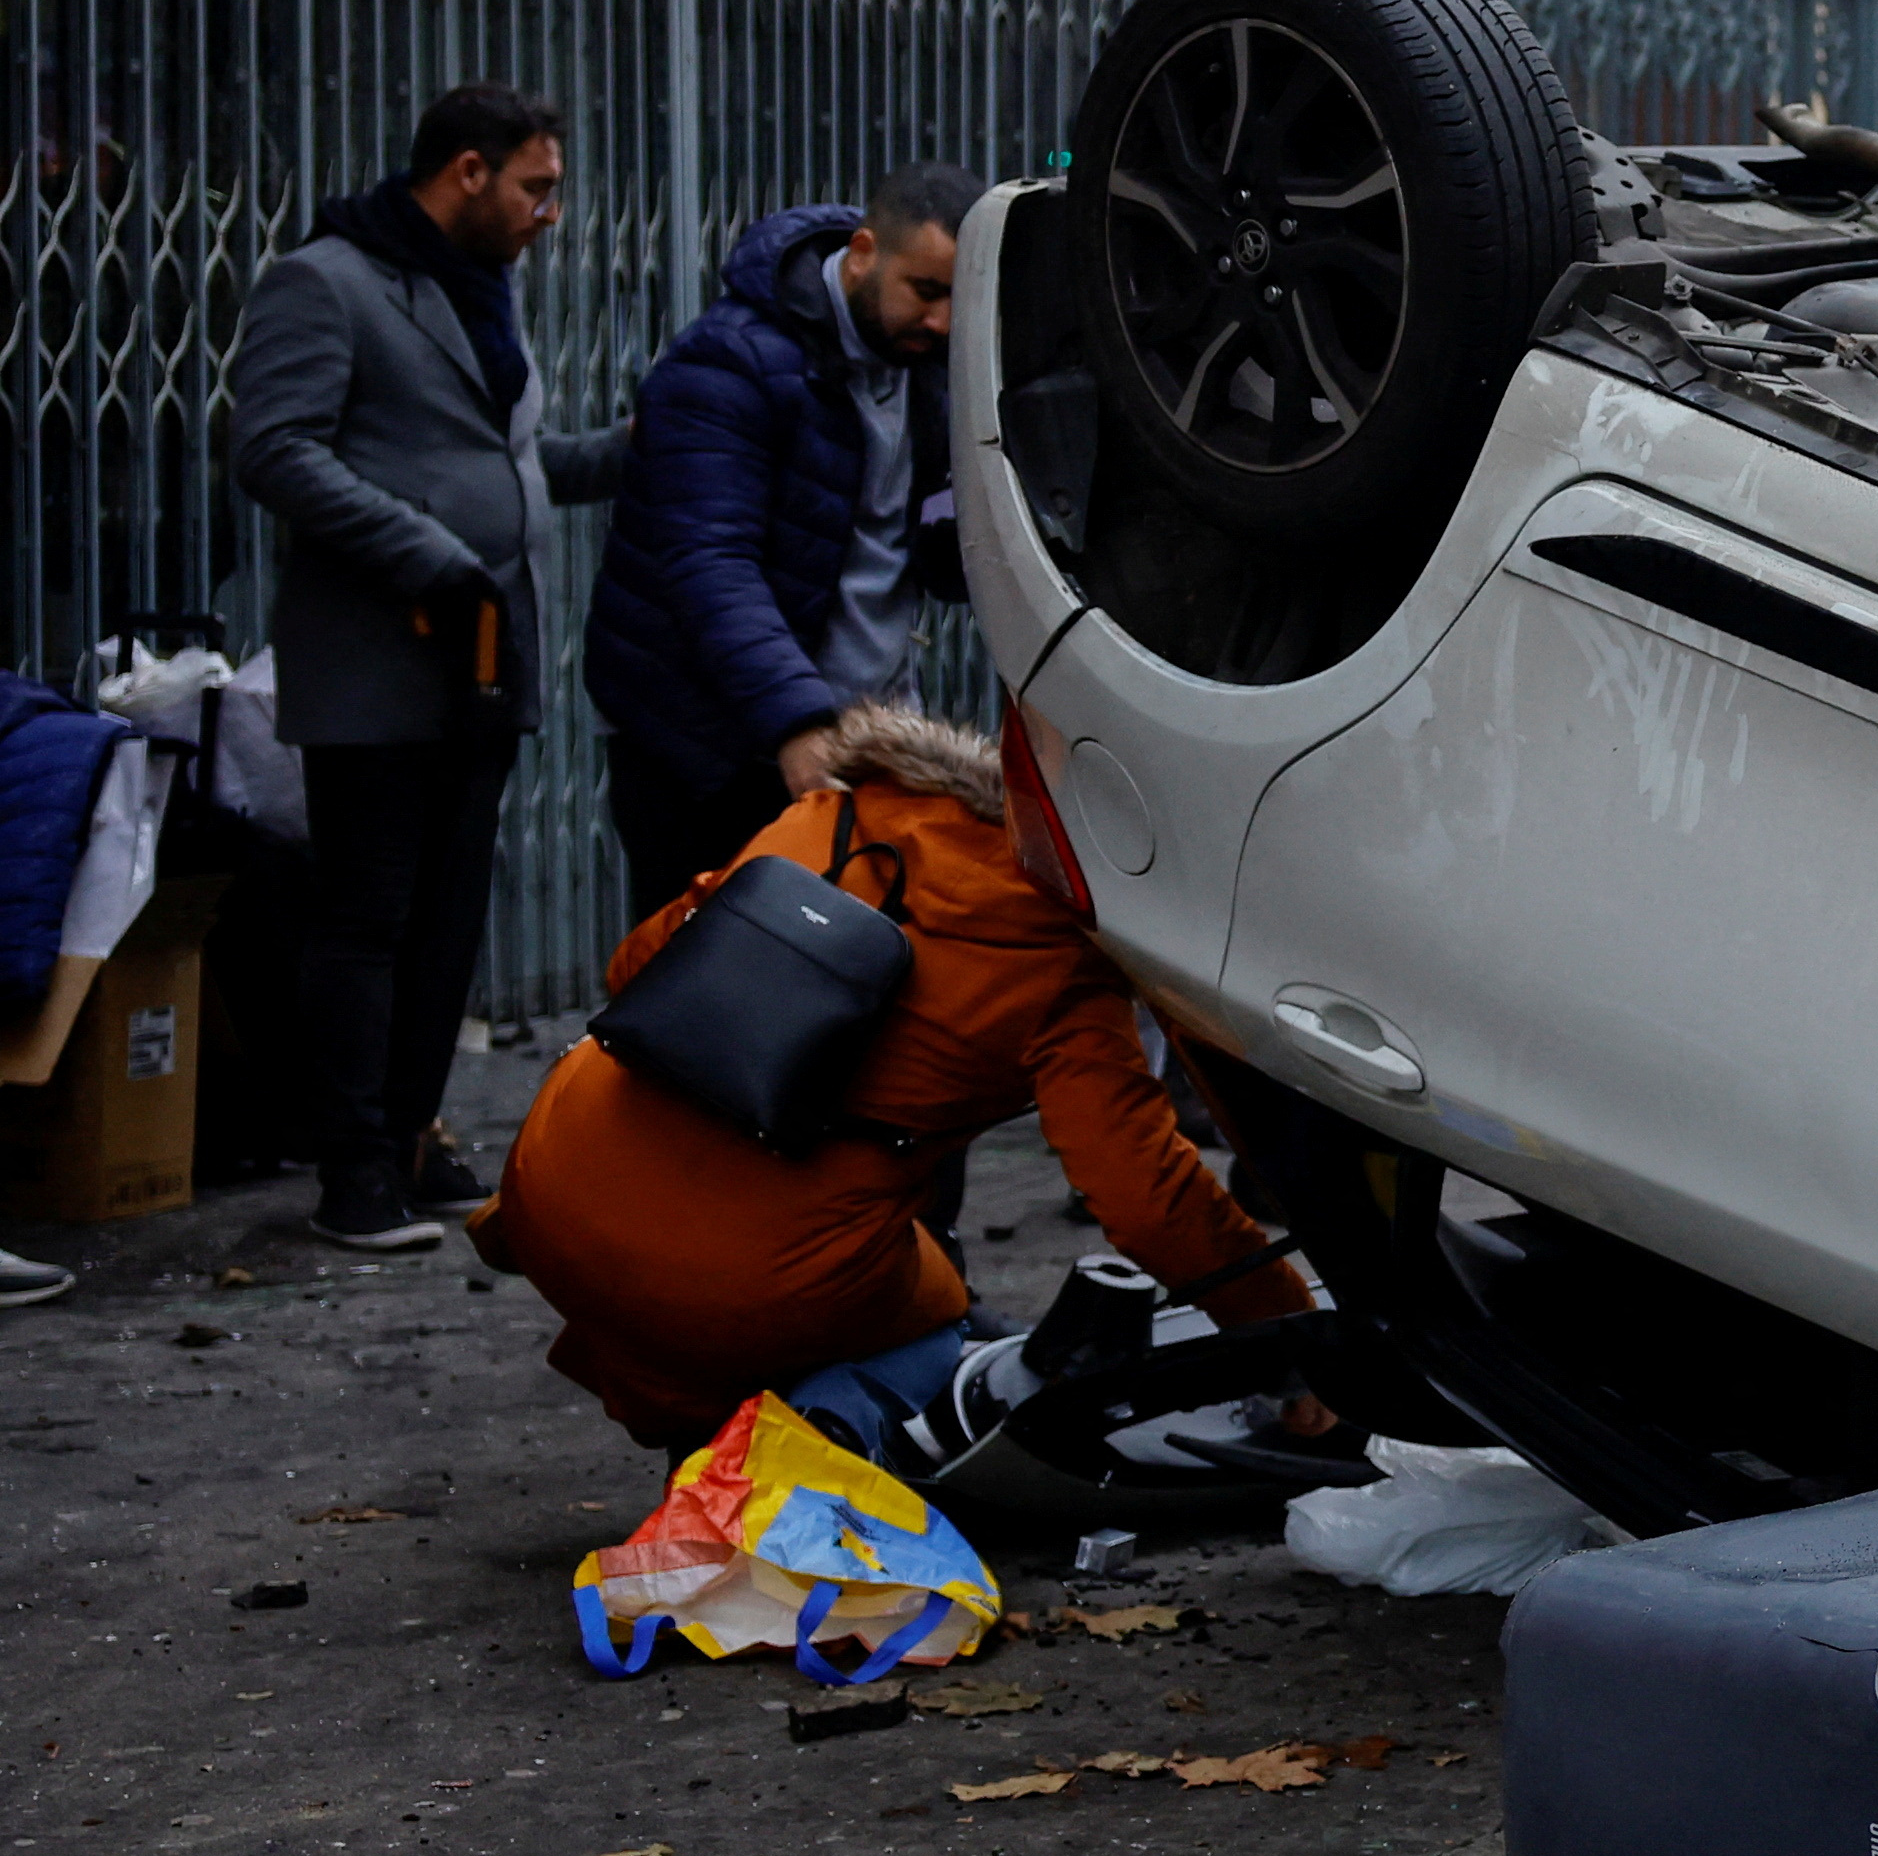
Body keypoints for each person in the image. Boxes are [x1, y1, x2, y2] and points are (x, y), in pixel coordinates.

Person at [478, 705, 1308, 1460]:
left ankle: (710, 1416)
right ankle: (816, 1435)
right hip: (745, 1280)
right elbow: (1147, 1199)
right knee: (936, 1323)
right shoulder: (1063, 966)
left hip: (548, 1181)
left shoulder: (836, 816)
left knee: (848, 1249)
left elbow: (635, 966)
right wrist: (1298, 1343)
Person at [231, 83, 624, 1251]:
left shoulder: (483, 287)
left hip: (485, 670)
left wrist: (622, 456)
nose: (549, 213)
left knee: (450, 918)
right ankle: (352, 1171)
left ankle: (410, 1137)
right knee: (368, 916)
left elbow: (501, 459)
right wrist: (430, 556)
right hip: (378, 665)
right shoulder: (328, 281)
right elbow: (272, 447)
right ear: (465, 172)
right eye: (535, 188)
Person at [585, 167, 976, 927]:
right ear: (862, 253)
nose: (943, 320)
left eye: (962, 298)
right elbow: (707, 561)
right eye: (926, 290)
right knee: (705, 1006)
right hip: (709, 749)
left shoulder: (924, 366)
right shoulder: (728, 364)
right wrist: (798, 726)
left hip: (854, 744)